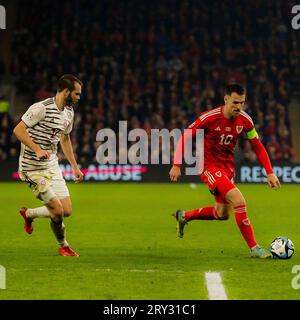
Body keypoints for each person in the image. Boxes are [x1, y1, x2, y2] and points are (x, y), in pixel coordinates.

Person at [169, 83, 281, 259]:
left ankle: (184, 215)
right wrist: (176, 163)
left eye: (242, 103)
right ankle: (254, 248)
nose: (239, 107)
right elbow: (185, 136)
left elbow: (258, 146)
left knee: (222, 214)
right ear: (226, 99)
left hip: (227, 168)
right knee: (239, 200)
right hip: (209, 166)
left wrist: (270, 172)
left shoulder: (245, 120)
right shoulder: (209, 117)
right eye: (235, 102)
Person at [13, 74, 84, 256]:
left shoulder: (69, 112)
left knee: (66, 210)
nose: (78, 97)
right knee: (57, 210)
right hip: (31, 167)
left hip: (51, 166)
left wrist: (75, 167)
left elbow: (65, 139)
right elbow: (18, 129)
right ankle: (64, 246)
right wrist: (36, 149)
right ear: (66, 91)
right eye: (76, 94)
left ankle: (28, 214)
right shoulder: (41, 108)